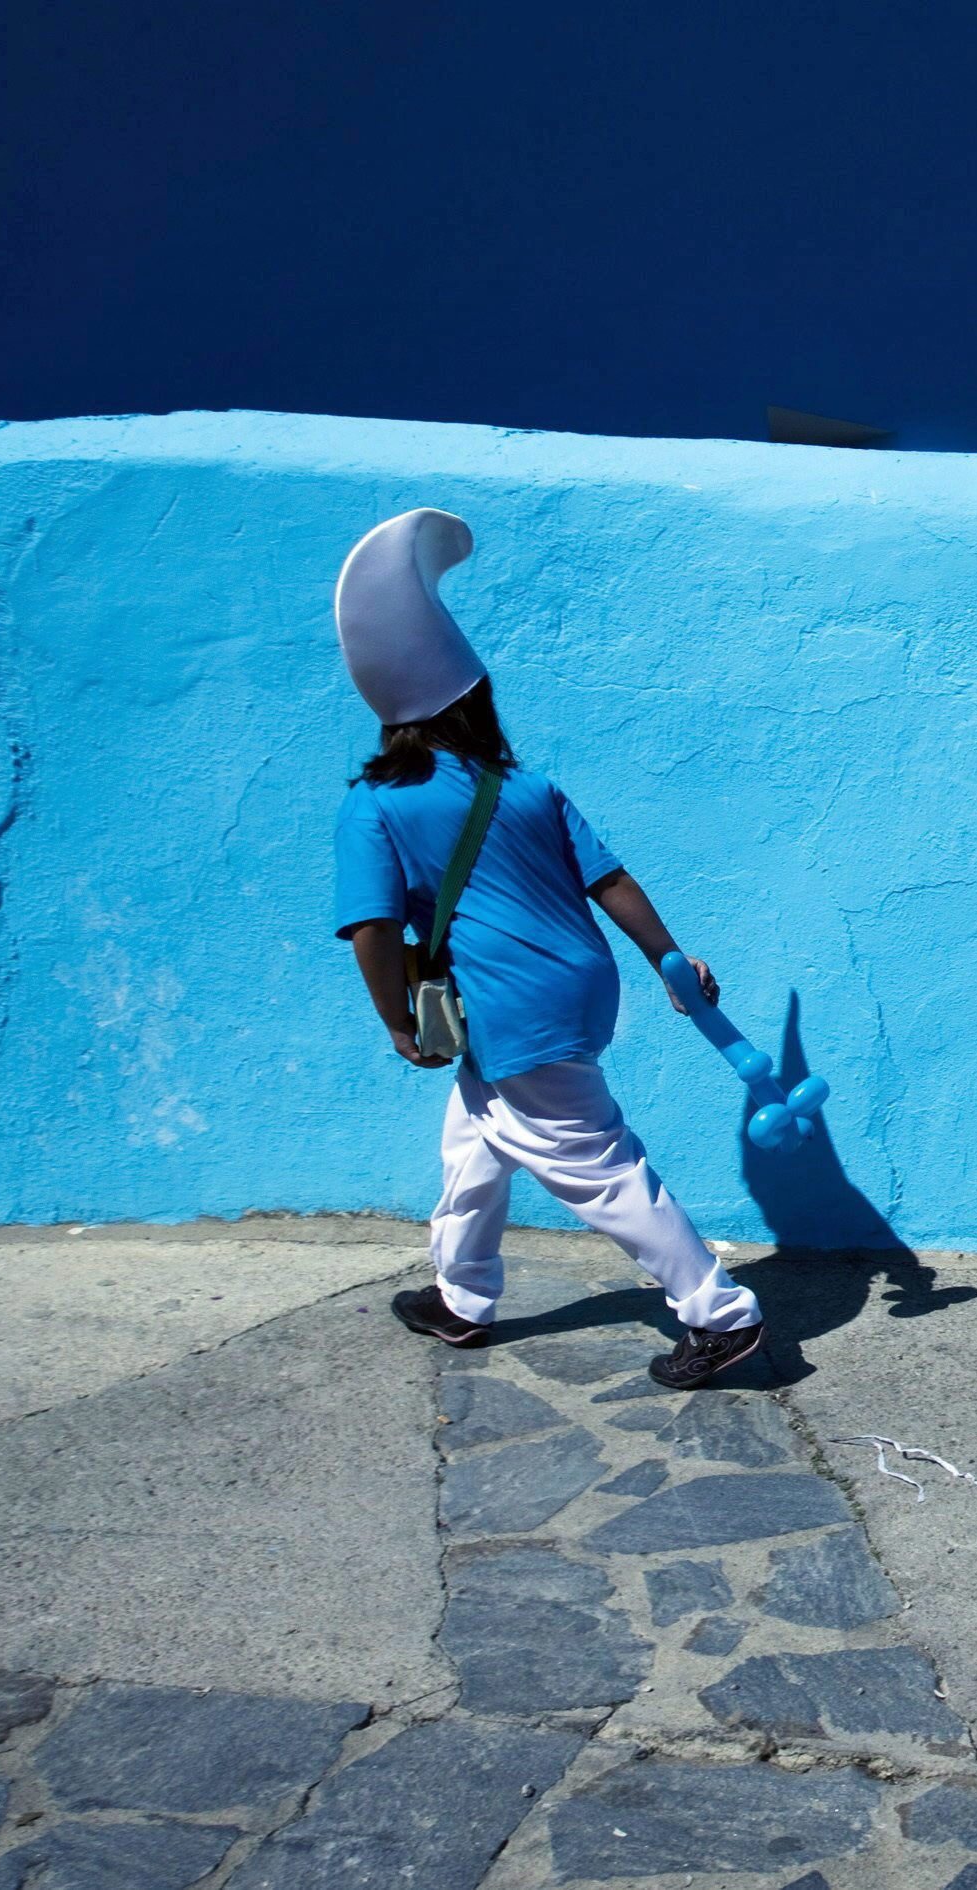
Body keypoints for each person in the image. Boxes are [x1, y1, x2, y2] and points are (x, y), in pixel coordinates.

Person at [329, 508, 765, 1391]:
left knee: (594, 1164)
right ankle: (462, 1296)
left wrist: (395, 1022)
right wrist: (671, 963)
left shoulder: (375, 804)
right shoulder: (527, 787)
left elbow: (374, 929)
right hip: (576, 986)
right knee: (475, 1145)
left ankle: (722, 1316)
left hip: (507, 1005)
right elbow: (610, 881)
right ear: (474, 699)